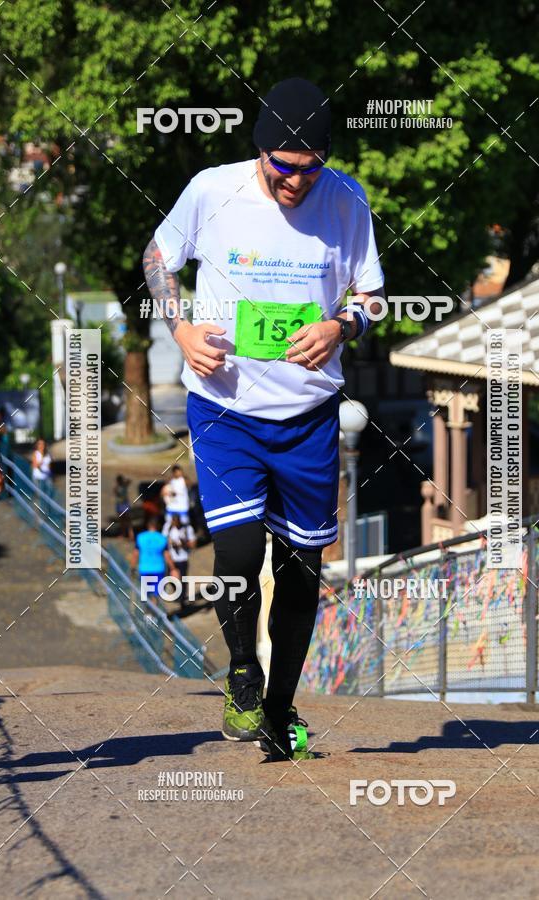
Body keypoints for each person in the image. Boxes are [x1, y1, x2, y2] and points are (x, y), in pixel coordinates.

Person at [143, 77, 385, 760]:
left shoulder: (347, 200)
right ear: (260, 151)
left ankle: (278, 709)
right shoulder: (212, 190)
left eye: (311, 168)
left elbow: (372, 296)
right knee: (241, 555)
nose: (296, 181)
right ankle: (243, 674)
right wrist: (180, 329)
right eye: (284, 166)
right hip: (226, 408)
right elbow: (159, 257)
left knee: (302, 570)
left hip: (308, 415)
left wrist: (341, 326)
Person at [131, 516, 178, 602]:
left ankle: (147, 609)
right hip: (158, 569)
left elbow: (135, 553)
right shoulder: (162, 538)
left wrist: (132, 567)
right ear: (157, 526)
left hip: (144, 569)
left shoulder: (140, 537)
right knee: (156, 594)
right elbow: (167, 555)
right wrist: (173, 568)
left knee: (145, 593)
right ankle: (154, 608)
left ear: (148, 525)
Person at [162, 513, 196, 609]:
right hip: (172, 558)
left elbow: (193, 544)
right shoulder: (168, 529)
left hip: (183, 558)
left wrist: (183, 544)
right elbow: (163, 542)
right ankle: (178, 594)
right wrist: (170, 543)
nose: (175, 524)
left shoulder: (187, 529)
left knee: (183, 580)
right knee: (169, 578)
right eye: (174, 522)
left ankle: (182, 600)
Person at [114, 474, 133, 539]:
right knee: (126, 520)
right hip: (123, 504)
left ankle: (127, 534)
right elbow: (129, 480)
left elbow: (130, 480)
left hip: (122, 504)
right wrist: (124, 480)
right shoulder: (123, 485)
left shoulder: (120, 486)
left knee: (124, 520)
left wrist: (124, 480)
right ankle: (128, 534)